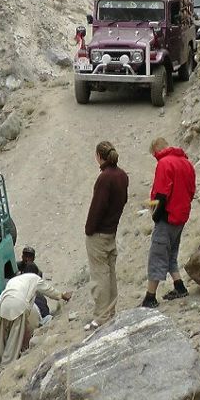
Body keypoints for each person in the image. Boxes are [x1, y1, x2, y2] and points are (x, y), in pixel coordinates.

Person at [142, 137, 197, 308]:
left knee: (157, 255)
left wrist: (155, 215)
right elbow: (191, 190)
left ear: (156, 150)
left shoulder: (164, 163)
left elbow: (161, 194)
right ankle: (179, 286)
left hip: (167, 216)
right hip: (181, 216)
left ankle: (150, 297)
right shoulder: (186, 163)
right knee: (172, 253)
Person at [83, 140, 129, 331]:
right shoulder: (122, 175)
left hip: (99, 233)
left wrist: (89, 229)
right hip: (111, 230)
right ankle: (110, 311)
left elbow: (97, 207)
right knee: (110, 274)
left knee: (100, 276)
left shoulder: (104, 178)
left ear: (99, 156)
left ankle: (101, 317)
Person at [0, 273, 71, 374]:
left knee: (0, 338)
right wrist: (62, 295)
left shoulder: (14, 280)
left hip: (1, 304)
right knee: (14, 340)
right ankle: (4, 368)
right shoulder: (36, 279)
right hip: (17, 305)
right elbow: (49, 290)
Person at [17, 247, 50, 319]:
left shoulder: (36, 271)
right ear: (22, 256)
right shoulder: (17, 266)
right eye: (26, 256)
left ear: (33, 258)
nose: (27, 259)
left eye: (30, 257)